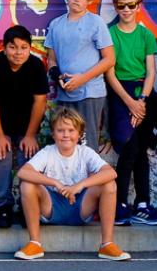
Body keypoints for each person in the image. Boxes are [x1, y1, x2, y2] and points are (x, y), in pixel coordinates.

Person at [12, 107, 131, 262]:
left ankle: (107, 244)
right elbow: (23, 172)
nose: (66, 134)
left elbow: (111, 173)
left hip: (80, 206)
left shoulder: (85, 152)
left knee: (109, 185)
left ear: (79, 134)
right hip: (52, 207)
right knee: (27, 184)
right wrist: (55, 183)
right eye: (60, 130)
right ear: (53, 134)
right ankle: (34, 243)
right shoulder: (48, 152)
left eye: (71, 130)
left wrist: (79, 186)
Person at [104, 0, 157, 225]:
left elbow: (151, 71)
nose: (127, 10)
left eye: (131, 5)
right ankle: (119, 203)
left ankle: (143, 203)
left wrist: (141, 101)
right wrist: (130, 102)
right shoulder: (111, 34)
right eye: (122, 6)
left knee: (142, 151)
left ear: (139, 6)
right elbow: (110, 73)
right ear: (116, 7)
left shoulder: (145, 35)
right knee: (128, 149)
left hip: (143, 93)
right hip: (121, 93)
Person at [0, 24, 49, 229]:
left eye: (23, 47)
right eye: (13, 47)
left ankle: (27, 205)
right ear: (4, 47)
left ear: (30, 48)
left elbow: (40, 101)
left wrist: (30, 135)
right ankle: (3, 206)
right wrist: (0, 136)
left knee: (29, 156)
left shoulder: (35, 65)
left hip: (26, 125)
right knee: (2, 154)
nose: (18, 52)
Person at [41, 0, 114, 147]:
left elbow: (109, 59)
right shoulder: (56, 25)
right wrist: (58, 76)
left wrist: (82, 79)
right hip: (64, 92)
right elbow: (51, 60)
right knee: (64, 142)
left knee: (86, 143)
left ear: (90, 1)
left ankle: (89, 175)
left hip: (89, 92)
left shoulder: (96, 22)